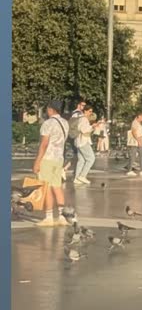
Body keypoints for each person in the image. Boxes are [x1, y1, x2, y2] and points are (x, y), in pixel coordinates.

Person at [32, 97, 70, 226]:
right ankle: (62, 217)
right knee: (57, 187)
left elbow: (44, 144)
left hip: (47, 158)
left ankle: (48, 217)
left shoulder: (48, 124)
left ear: (50, 109)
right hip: (59, 159)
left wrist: (37, 161)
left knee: (46, 187)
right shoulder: (65, 123)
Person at [71, 102, 95, 185]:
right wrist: (92, 127)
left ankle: (76, 178)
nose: (91, 113)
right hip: (83, 141)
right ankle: (82, 176)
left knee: (81, 160)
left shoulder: (81, 118)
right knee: (91, 158)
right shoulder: (84, 119)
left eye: (91, 111)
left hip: (79, 141)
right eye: (89, 111)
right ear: (85, 111)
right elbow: (84, 130)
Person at [126, 111, 142, 176]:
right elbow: (133, 132)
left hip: (139, 142)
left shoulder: (138, 123)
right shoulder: (134, 123)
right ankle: (129, 170)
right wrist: (138, 141)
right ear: (139, 116)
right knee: (133, 156)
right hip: (134, 142)